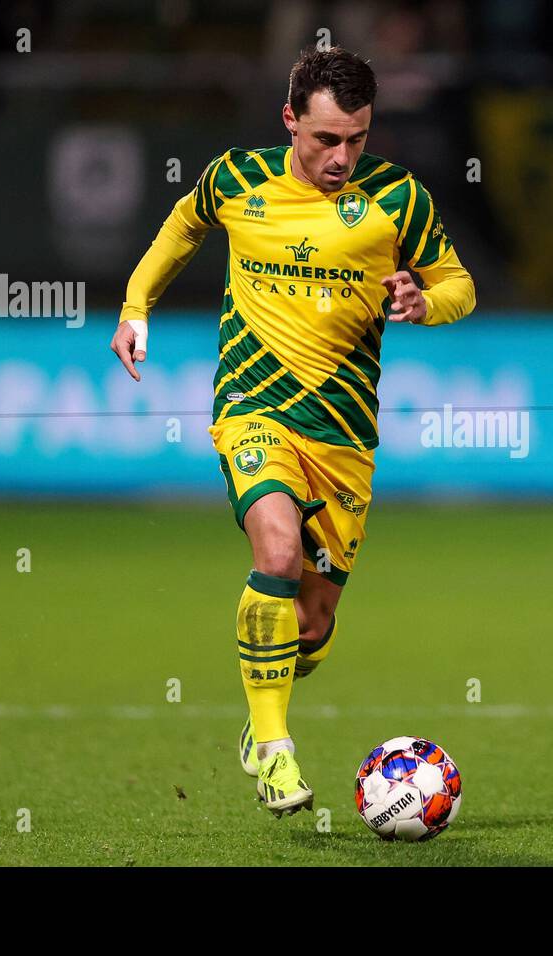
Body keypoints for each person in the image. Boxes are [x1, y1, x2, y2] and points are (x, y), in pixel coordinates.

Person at [110, 46, 476, 817]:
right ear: (289, 121)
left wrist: (423, 302)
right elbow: (183, 226)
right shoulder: (237, 179)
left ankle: (270, 690)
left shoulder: (397, 199)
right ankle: (274, 750)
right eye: (325, 139)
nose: (342, 156)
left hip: (343, 436)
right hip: (254, 409)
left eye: (357, 138)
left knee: (310, 626)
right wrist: (135, 305)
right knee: (273, 551)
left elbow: (458, 284)